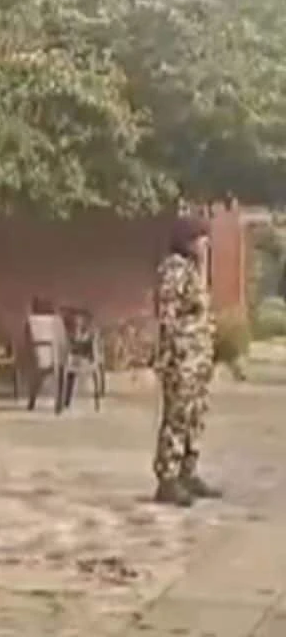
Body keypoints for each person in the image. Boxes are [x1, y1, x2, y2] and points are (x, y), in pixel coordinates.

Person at [152, 215, 220, 507]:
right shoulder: (174, 270)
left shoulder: (193, 270)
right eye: (201, 238)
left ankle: (187, 472)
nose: (205, 244)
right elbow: (167, 317)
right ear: (187, 240)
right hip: (181, 357)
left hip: (198, 357)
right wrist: (168, 356)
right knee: (177, 416)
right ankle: (167, 478)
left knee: (195, 415)